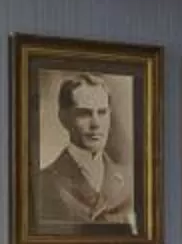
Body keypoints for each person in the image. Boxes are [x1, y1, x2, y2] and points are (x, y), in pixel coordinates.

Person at [34, 73, 135, 230]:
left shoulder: (129, 181)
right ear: (63, 118)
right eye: (84, 113)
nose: (96, 124)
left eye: (102, 113)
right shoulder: (44, 182)